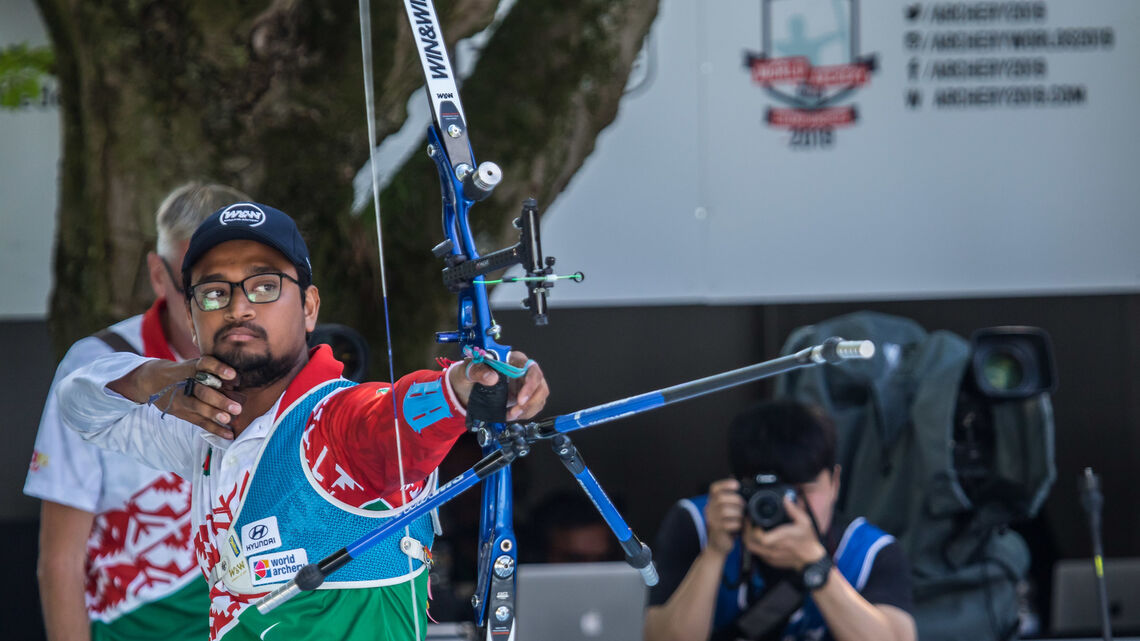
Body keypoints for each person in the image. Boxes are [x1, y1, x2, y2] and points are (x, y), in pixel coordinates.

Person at [54, 201, 549, 641]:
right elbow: (77, 405)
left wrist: (467, 384)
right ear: (190, 315)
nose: (239, 306)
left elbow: (392, 417)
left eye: (265, 286)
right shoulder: (206, 429)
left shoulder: (333, 428)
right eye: (213, 292)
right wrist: (155, 381)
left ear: (309, 307)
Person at [24, 182, 249, 641]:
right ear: (157, 274)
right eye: (197, 286)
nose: (213, 305)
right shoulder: (98, 365)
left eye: (229, 287)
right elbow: (59, 562)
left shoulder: (276, 361)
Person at [643, 400, 916, 641]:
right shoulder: (698, 523)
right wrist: (714, 553)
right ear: (735, 484)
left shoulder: (869, 551)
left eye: (801, 491)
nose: (785, 507)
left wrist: (816, 566)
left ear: (834, 481)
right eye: (767, 494)